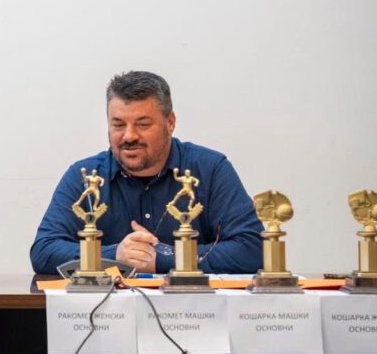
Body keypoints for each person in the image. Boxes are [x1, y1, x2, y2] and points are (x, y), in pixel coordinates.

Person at [30, 71, 262, 275]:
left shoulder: (210, 169)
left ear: (170, 123)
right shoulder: (85, 176)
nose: (129, 136)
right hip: (106, 311)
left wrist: (162, 257)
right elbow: (44, 251)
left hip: (191, 309)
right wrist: (115, 255)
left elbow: (253, 248)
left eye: (142, 124)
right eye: (118, 124)